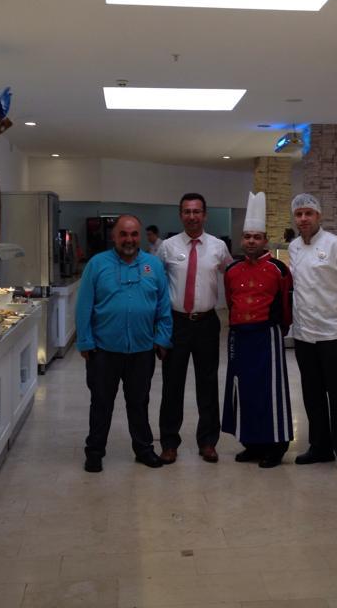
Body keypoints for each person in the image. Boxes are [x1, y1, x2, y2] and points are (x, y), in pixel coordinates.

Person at [75, 214, 172, 473]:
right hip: (103, 350)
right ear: (114, 236)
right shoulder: (97, 264)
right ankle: (95, 452)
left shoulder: (153, 265)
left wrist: (162, 338)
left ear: (140, 236)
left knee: (139, 403)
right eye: (124, 234)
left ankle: (144, 449)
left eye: (134, 234)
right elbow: (84, 305)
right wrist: (85, 341)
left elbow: (163, 305)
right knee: (101, 403)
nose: (129, 239)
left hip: (142, 349)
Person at [288, 193, 337, 478]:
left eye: (308, 213)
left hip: (333, 333)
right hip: (304, 334)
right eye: (299, 214)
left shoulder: (335, 245)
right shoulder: (294, 247)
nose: (303, 219)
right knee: (312, 394)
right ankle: (320, 447)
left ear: (318, 216)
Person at [158, 192, 233, 463]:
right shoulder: (167, 247)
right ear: (181, 215)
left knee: (208, 384)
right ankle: (169, 443)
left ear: (205, 215)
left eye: (197, 211)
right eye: (187, 211)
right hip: (176, 323)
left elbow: (233, 276)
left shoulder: (218, 247)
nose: (192, 216)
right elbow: (157, 286)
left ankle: (208, 442)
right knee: (172, 385)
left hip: (207, 323)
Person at [221, 192, 294, 468]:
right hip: (239, 335)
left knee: (269, 389)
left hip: (267, 334)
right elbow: (230, 301)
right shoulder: (232, 270)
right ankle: (251, 443)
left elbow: (286, 305)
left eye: (256, 237)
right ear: (242, 240)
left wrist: (281, 329)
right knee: (243, 388)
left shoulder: (278, 269)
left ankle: (276, 445)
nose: (251, 241)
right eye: (247, 237)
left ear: (264, 240)